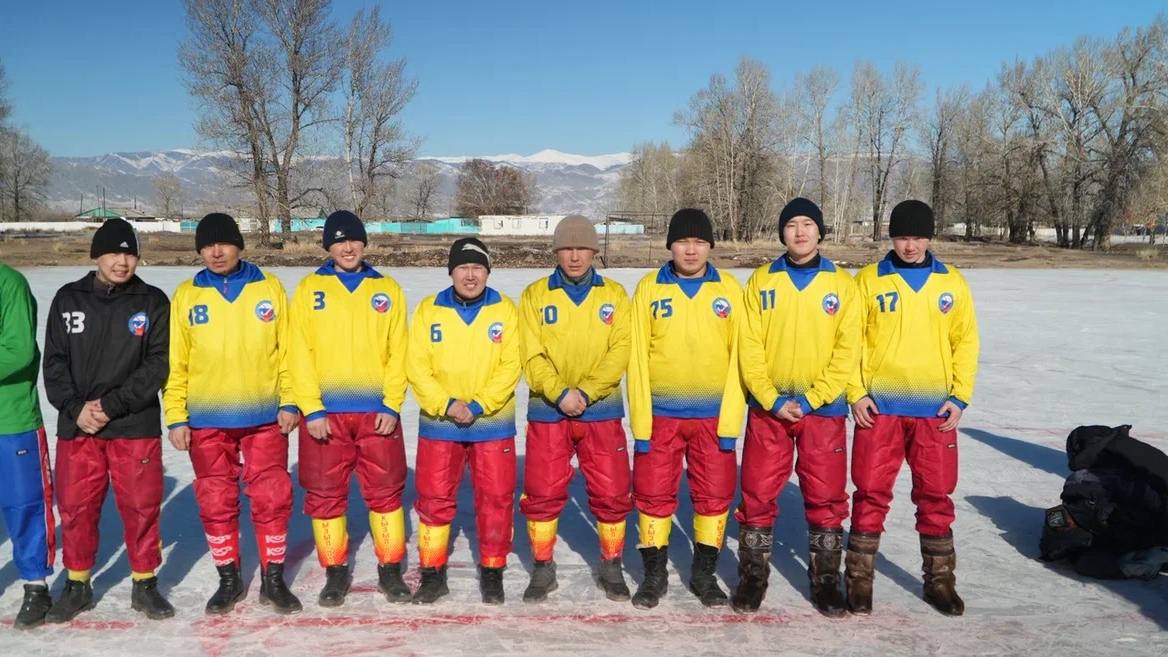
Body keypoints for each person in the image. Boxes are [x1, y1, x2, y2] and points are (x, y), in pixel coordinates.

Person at [163, 213, 302, 615]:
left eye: (224, 244)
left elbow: (288, 351)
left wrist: (290, 400)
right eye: (208, 246)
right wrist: (176, 415)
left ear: (239, 245)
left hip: (264, 417)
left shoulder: (269, 287)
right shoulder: (187, 295)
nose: (216, 252)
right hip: (207, 418)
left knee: (273, 496)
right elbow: (177, 362)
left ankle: (273, 579)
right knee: (214, 499)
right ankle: (229, 579)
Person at [845, 199, 979, 616]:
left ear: (929, 236)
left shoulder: (951, 282)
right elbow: (849, 343)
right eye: (903, 236)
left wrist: (959, 396)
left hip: (933, 413)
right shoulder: (868, 281)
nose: (910, 245)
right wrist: (855, 392)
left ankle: (940, 581)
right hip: (880, 409)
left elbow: (966, 342)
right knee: (869, 493)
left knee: (936, 495)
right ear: (892, 237)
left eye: (918, 236)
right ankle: (859, 581)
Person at [41, 219, 173, 622]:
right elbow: (55, 364)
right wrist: (77, 408)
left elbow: (157, 366)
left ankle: (145, 583)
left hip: (134, 425)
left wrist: (112, 405)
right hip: (79, 426)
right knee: (78, 507)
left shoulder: (152, 301)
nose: (121, 261)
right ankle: (77, 583)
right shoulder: (68, 299)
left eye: (129, 253)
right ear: (96, 254)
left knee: (141, 505)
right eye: (113, 253)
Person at [732, 198, 859, 616]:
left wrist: (810, 399)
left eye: (808, 224)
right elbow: (748, 347)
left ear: (820, 232)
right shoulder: (761, 282)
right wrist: (770, 397)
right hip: (769, 410)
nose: (800, 232)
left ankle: (825, 580)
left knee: (825, 496)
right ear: (782, 232)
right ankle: (753, 577)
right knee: (757, 492)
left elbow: (846, 352)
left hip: (821, 412)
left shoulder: (842, 284)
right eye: (791, 225)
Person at [289, 210, 410, 607]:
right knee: (325, 495)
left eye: (353, 240)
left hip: (377, 412)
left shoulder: (387, 289)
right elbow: (298, 354)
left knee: (386, 493)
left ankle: (390, 572)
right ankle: (335, 572)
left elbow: (399, 352)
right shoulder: (309, 289)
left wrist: (392, 403)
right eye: (339, 241)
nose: (347, 247)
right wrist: (311, 408)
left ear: (363, 243)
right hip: (326, 415)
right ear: (328, 246)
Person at [627, 208, 746, 609]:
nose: (690, 250)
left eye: (698, 242)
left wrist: (731, 421)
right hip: (661, 416)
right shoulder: (649, 289)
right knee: (652, 495)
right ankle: (654, 575)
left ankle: (704, 574)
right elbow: (637, 361)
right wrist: (641, 426)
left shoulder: (729, 289)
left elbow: (739, 361)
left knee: (713, 497)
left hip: (713, 417)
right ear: (670, 246)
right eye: (682, 242)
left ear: (709, 245)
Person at [518, 215, 633, 603]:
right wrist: (558, 392)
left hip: (600, 410)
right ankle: (542, 566)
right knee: (542, 490)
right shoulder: (535, 295)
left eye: (582, 248)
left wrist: (585, 391)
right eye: (566, 248)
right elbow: (530, 355)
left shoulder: (614, 295)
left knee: (612, 490)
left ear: (593, 251)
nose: (574, 256)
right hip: (549, 411)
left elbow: (620, 352)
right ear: (556, 251)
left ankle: (612, 563)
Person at [406, 237, 521, 605]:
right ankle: (432, 573)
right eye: (463, 268)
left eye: (478, 268)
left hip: (492, 421)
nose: (470, 276)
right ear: (451, 271)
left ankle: (492, 569)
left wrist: (481, 403)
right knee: (434, 497)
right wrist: (446, 403)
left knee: (496, 497)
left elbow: (511, 365)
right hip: (442, 422)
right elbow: (417, 365)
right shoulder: (428, 310)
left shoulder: (505, 310)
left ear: (487, 271)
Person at [0, 262, 55, 629]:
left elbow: (19, 351)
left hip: (12, 419)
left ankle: (36, 586)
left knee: (24, 505)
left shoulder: (10, 284)